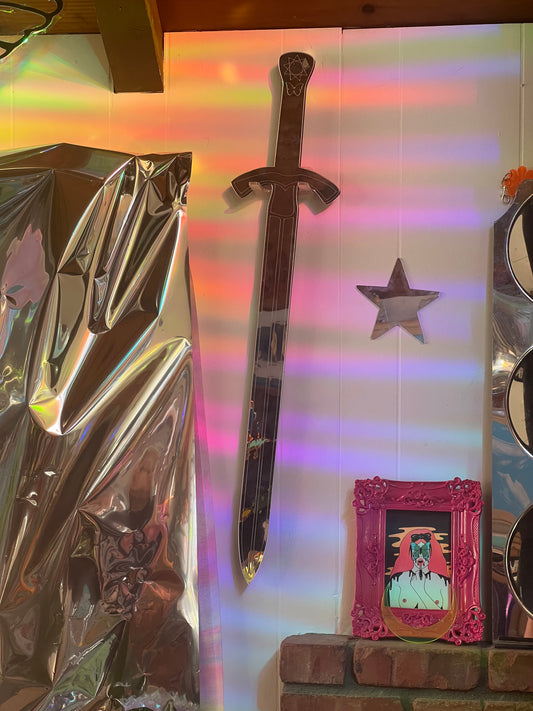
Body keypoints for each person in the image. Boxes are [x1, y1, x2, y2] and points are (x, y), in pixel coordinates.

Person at [387, 529, 450, 610]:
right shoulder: (396, 580)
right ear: (411, 553)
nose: (420, 556)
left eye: (424, 551)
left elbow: (446, 614)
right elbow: (392, 613)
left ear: (431, 553)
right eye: (416, 551)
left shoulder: (443, 582)